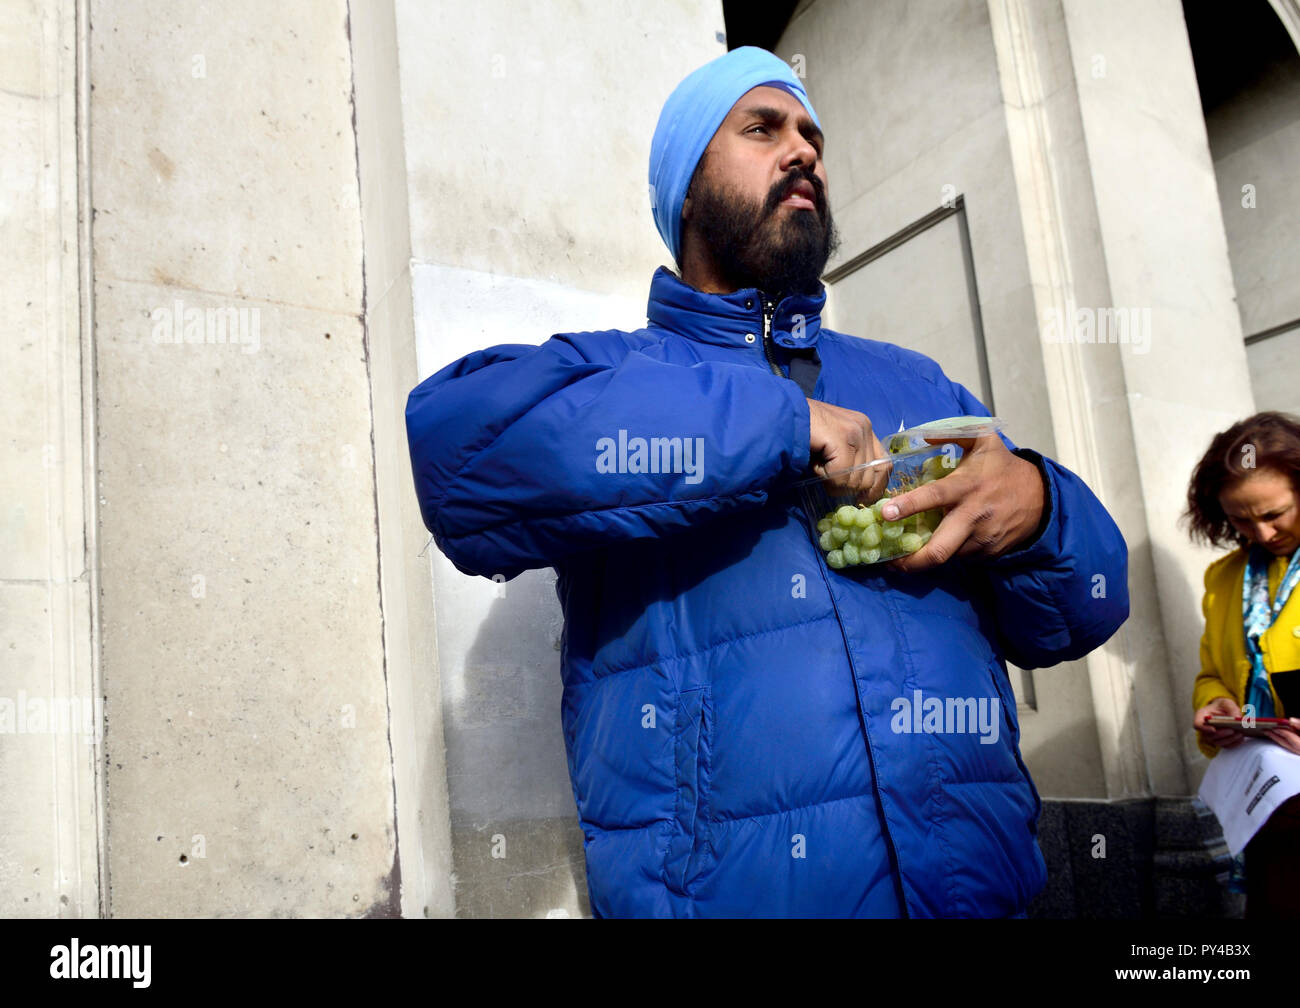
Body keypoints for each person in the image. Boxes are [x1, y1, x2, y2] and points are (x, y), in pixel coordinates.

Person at [405, 46, 1128, 917]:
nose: (804, 152)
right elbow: (459, 458)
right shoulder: (614, 375)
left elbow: (1082, 611)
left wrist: (1042, 511)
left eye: (812, 136)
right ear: (684, 189)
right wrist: (779, 425)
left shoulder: (920, 384)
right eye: (763, 129)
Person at [1186, 411, 1300, 919]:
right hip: (1271, 811)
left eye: (1275, 513)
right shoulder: (1224, 577)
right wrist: (1214, 704)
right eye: (1239, 518)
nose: (1261, 531)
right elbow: (1213, 670)